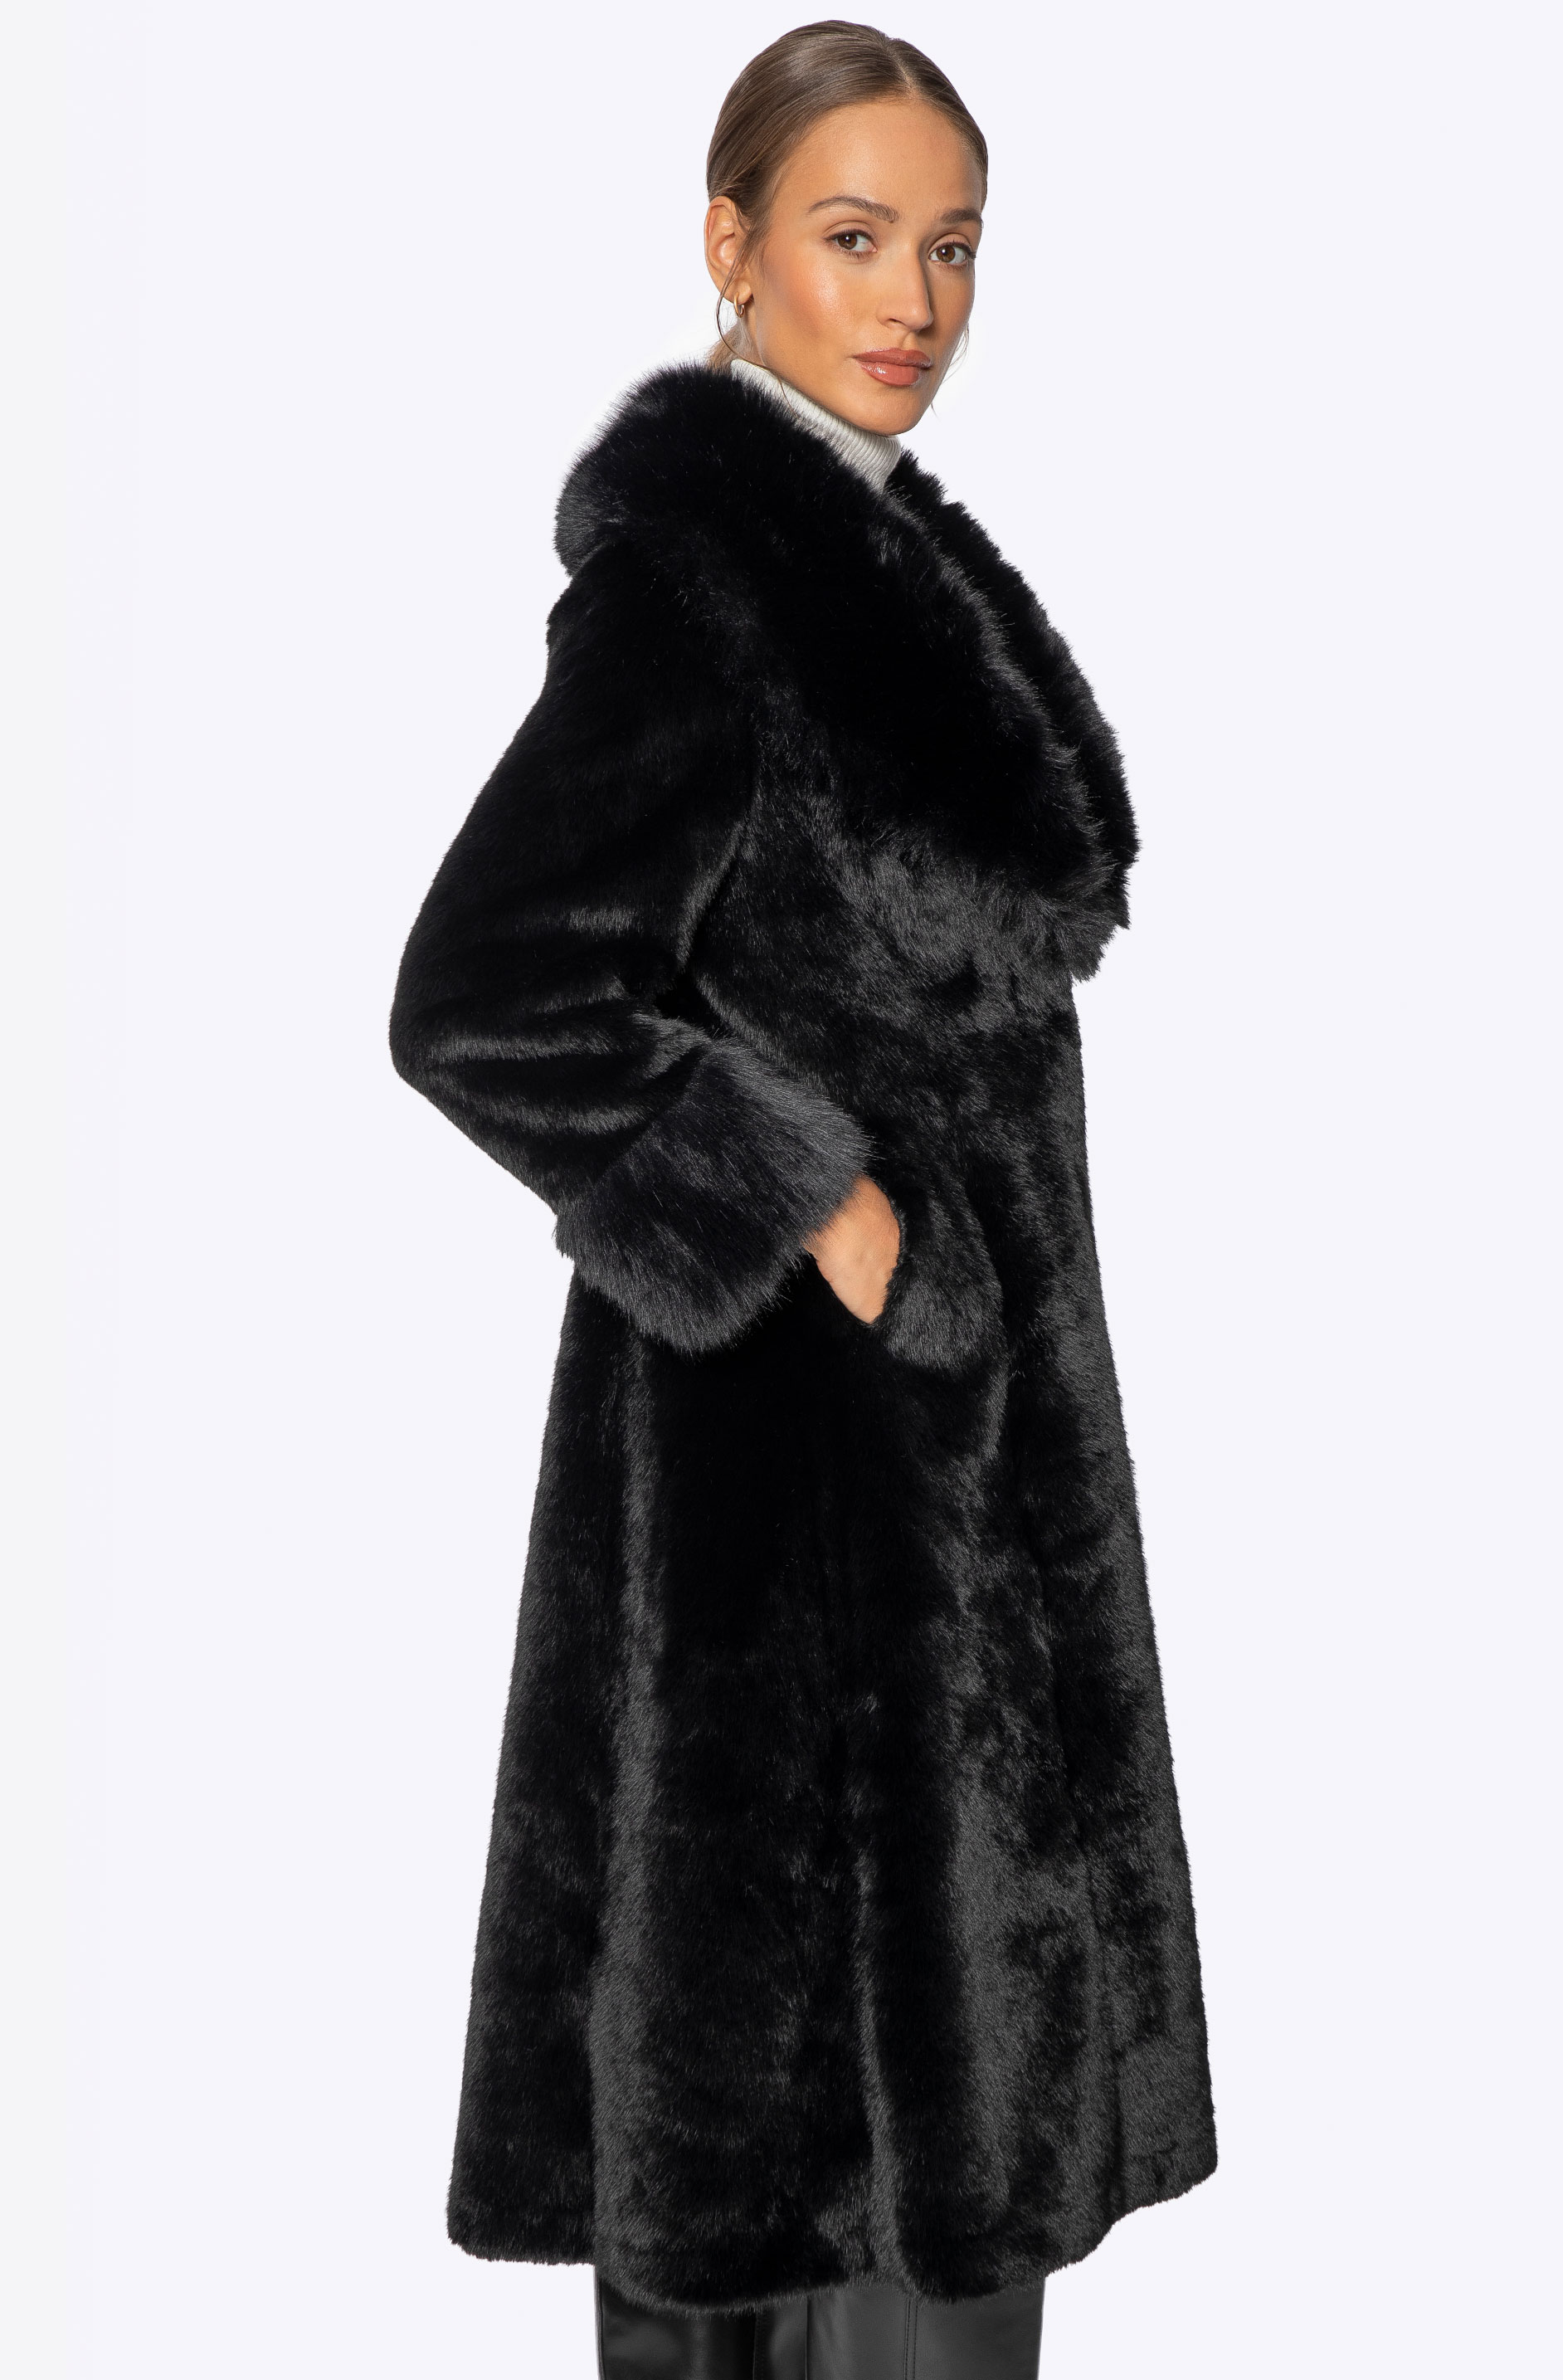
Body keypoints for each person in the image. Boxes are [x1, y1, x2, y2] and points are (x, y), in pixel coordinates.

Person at [389, 22, 1215, 2378]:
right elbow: (484, 993)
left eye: (955, 247)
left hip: (948, 1540)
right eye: (857, 236)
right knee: (811, 2213)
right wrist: (829, 1214)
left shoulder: (883, 566)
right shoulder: (704, 591)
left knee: (911, 2229)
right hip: (790, 1559)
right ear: (730, 246)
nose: (917, 298)